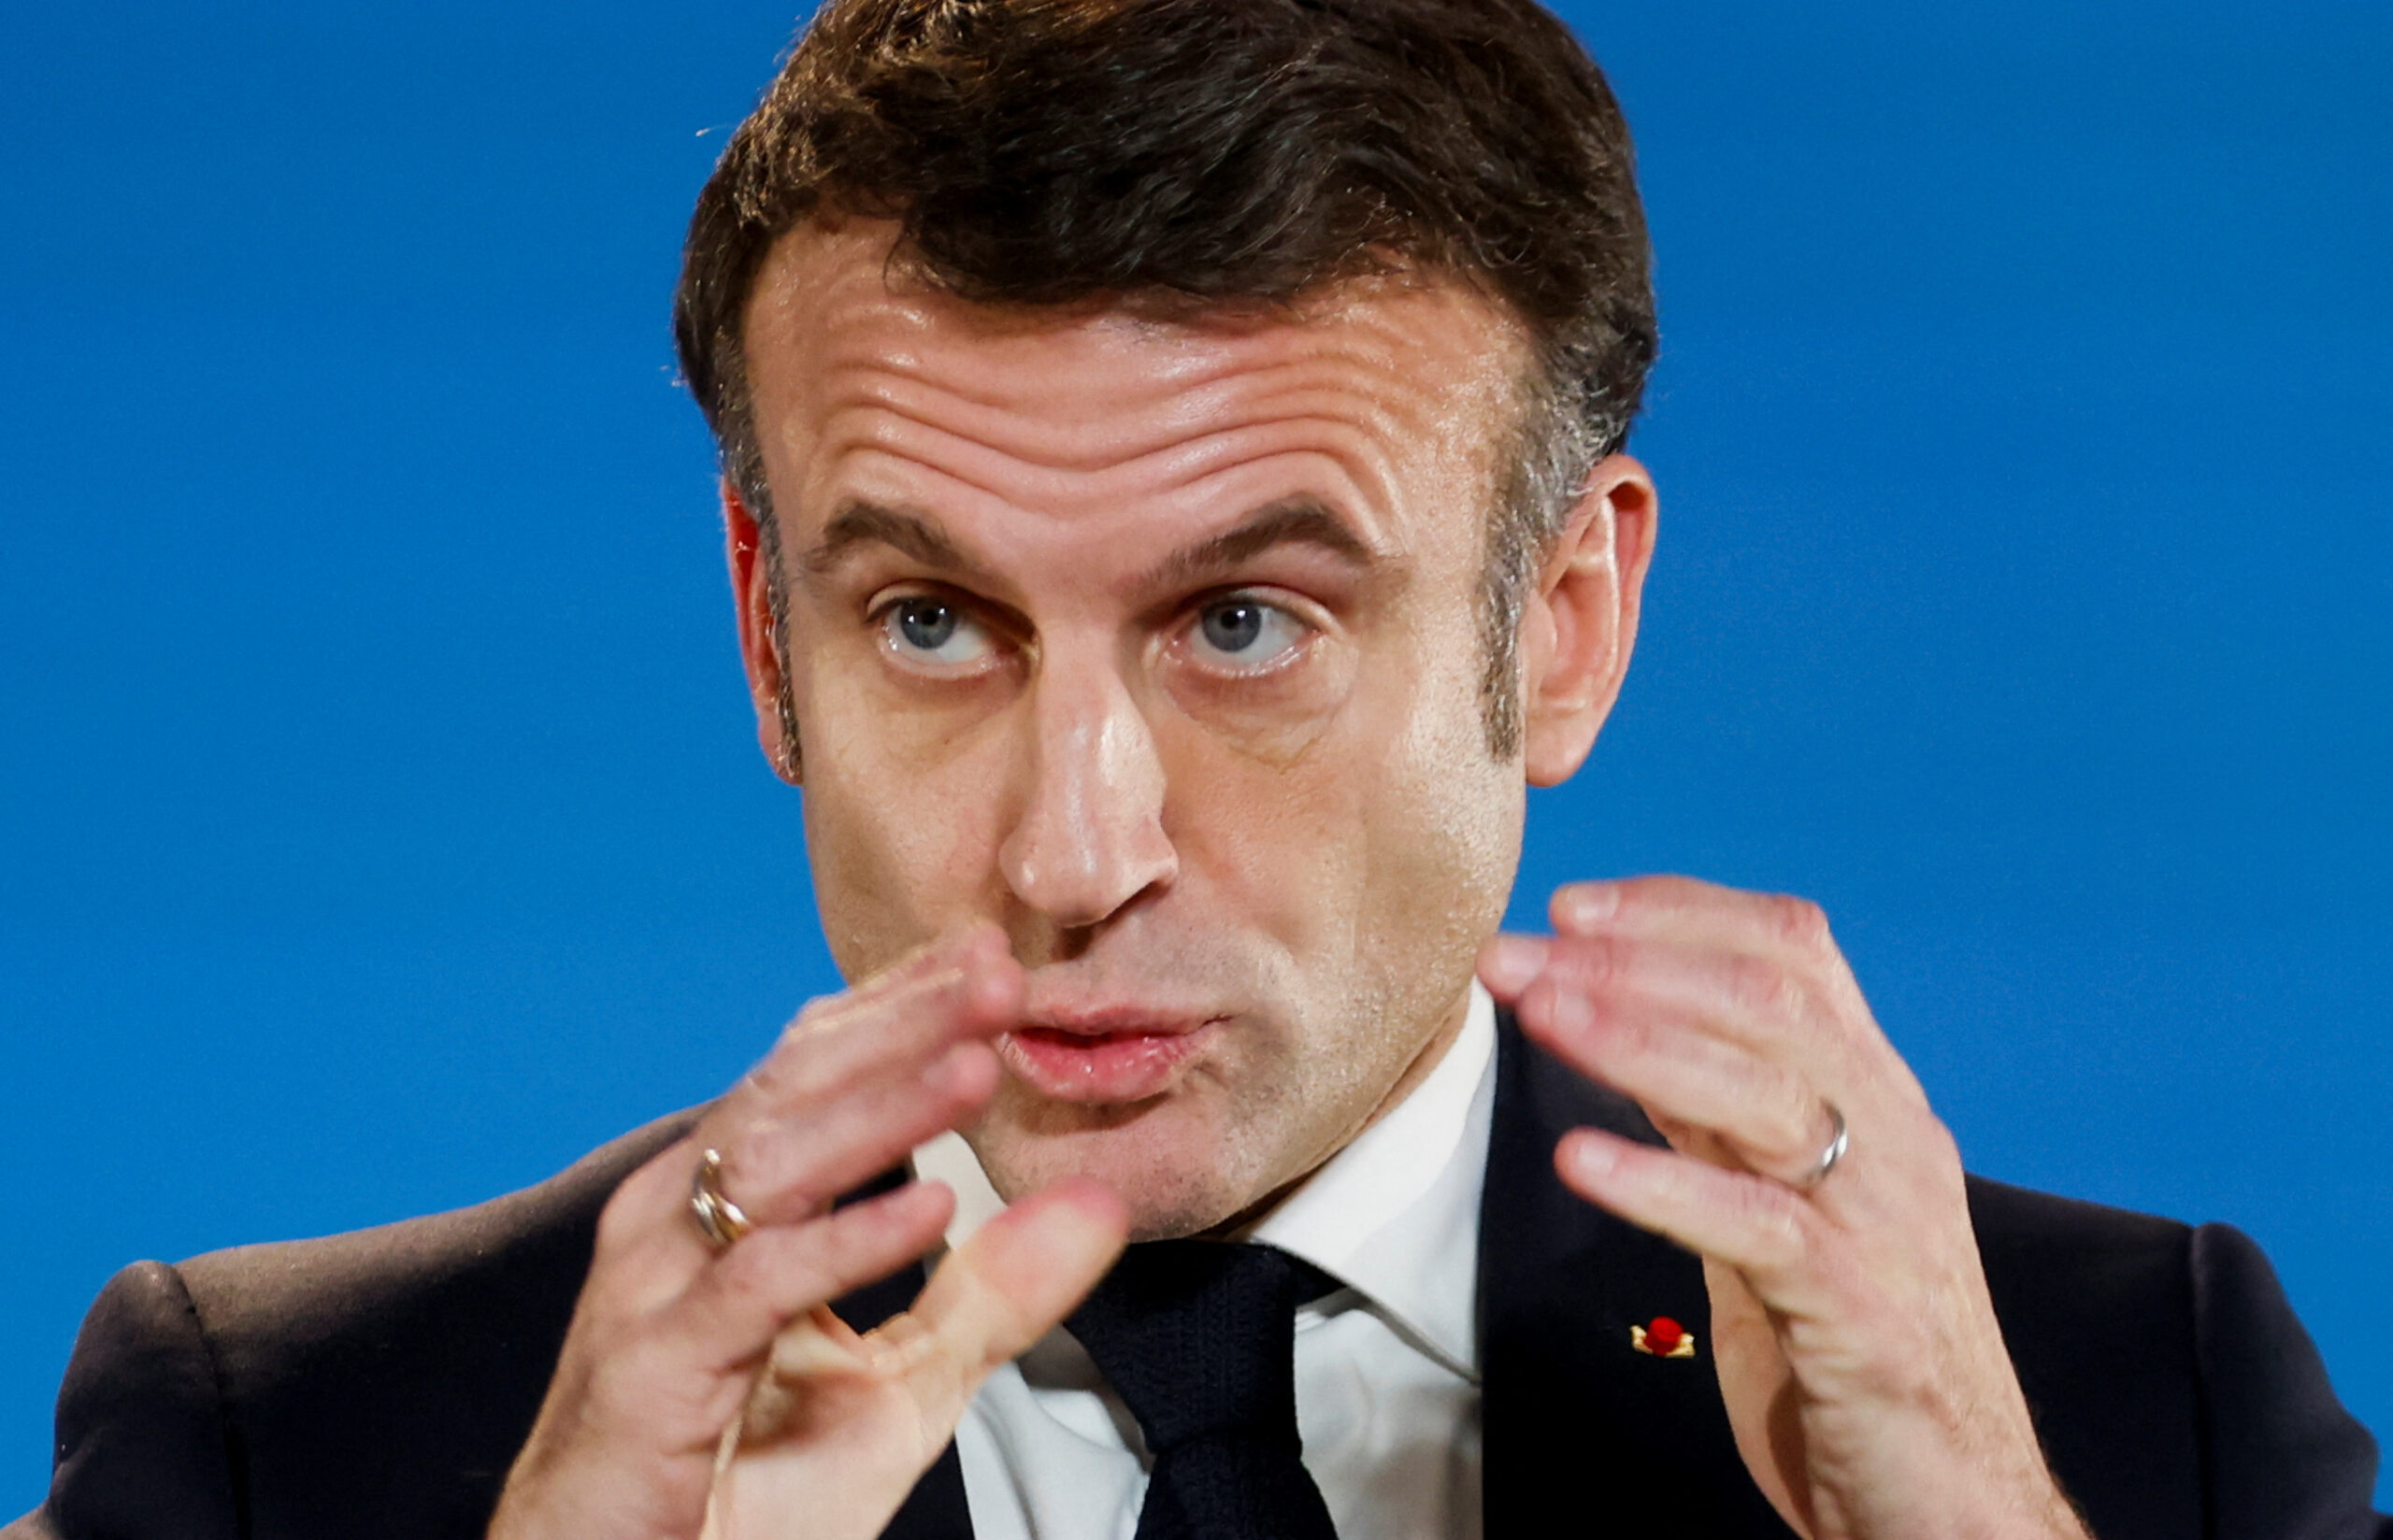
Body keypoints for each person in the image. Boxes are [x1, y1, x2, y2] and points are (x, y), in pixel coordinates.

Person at [11, 2, 2385, 1538]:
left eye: (1244, 621)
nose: (1067, 853)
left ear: (1559, 625)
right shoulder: (267, 1445)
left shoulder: (2126, 1414)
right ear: (764, 627)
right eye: (929, 618)